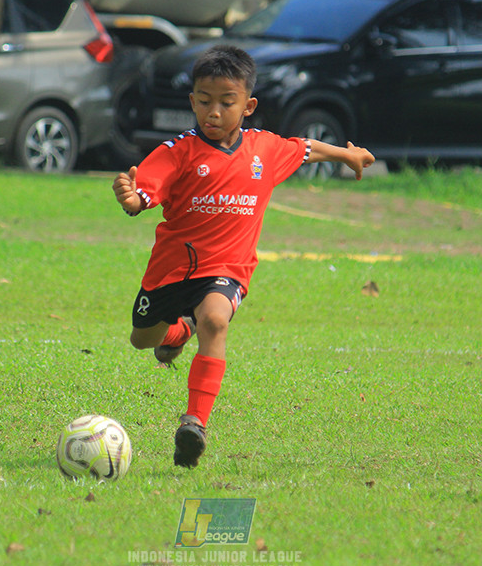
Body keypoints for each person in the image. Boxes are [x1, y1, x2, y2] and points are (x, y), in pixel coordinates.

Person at [112, 44, 375, 468]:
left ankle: (194, 424)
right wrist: (132, 198)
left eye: (226, 102)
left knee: (215, 320)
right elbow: (144, 189)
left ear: (248, 106)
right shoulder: (178, 151)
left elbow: (304, 147)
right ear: (192, 102)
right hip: (171, 270)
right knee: (143, 339)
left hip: (226, 269)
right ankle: (179, 332)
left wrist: (346, 154)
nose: (213, 112)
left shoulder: (263, 150)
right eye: (204, 101)